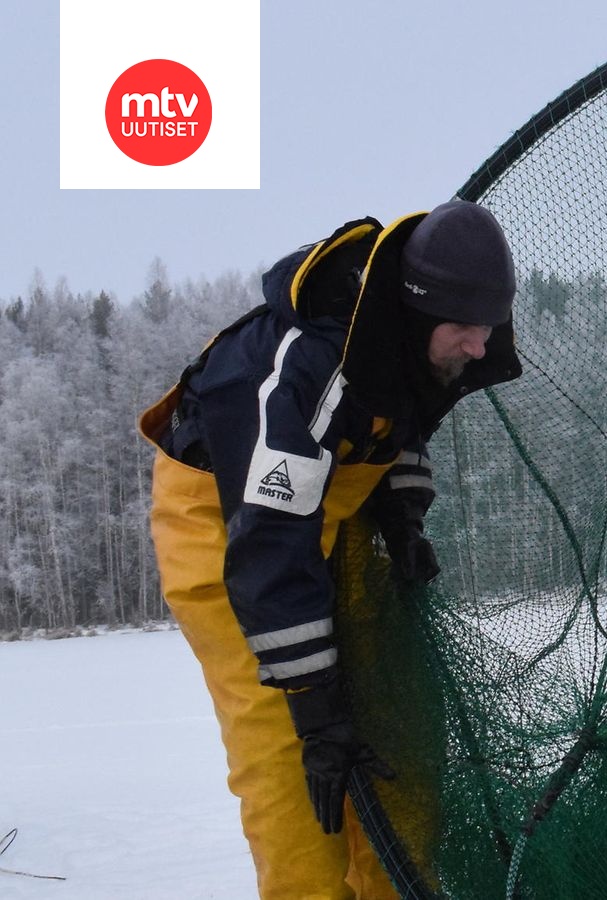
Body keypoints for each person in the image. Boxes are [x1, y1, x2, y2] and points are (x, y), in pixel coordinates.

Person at [138, 201, 522, 899]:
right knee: (294, 767)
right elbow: (268, 544)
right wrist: (314, 710)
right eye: (464, 329)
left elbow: (400, 426)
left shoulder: (416, 342)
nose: (478, 345)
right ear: (419, 309)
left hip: (328, 515)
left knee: (394, 745)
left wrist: (403, 517)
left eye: (488, 327)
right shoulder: (312, 366)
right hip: (227, 529)